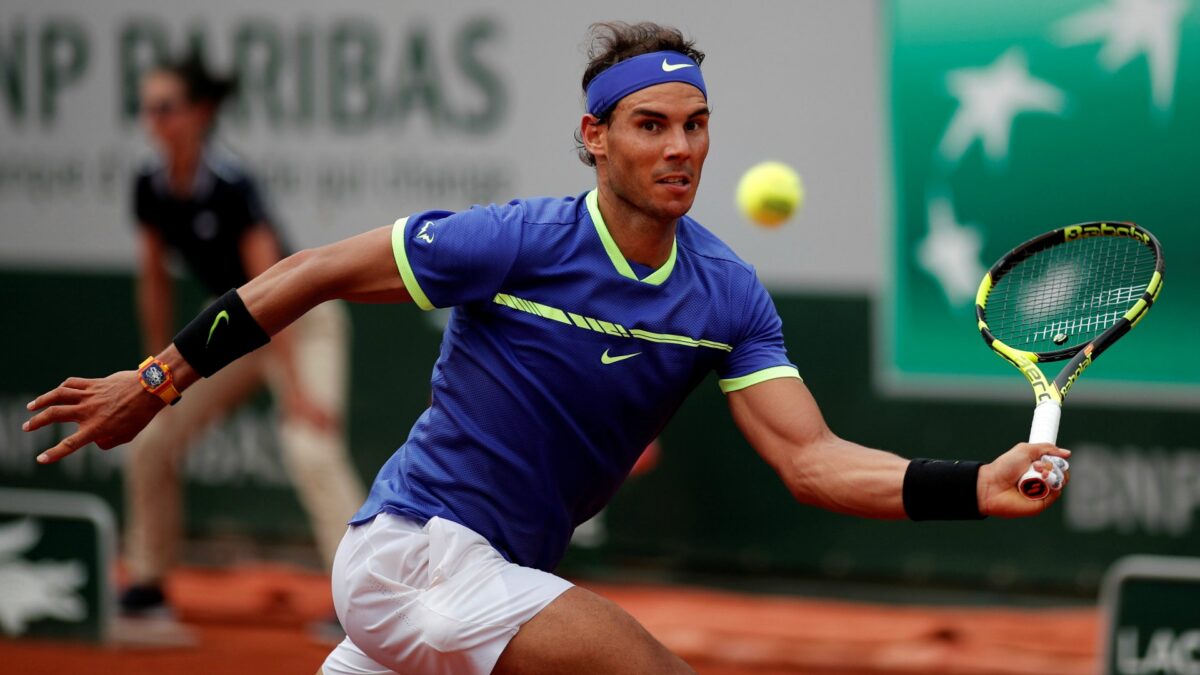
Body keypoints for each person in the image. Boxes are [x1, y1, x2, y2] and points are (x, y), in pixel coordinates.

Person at [24, 23, 1069, 675]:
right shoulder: (517, 243)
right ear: (594, 137)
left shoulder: (726, 294)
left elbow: (811, 460)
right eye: (651, 125)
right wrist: (158, 378)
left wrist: (971, 483)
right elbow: (312, 272)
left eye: (697, 125)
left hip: (483, 583)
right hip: (414, 554)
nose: (681, 149)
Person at [118, 55, 364, 633]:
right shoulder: (149, 186)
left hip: (296, 320)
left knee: (310, 447)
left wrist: (297, 393)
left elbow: (273, 293)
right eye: (147, 108)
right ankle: (148, 582)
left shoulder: (232, 185)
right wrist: (156, 372)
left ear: (199, 114)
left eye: (165, 107)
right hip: (231, 327)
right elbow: (153, 283)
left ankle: (364, 599)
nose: (153, 119)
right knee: (149, 439)